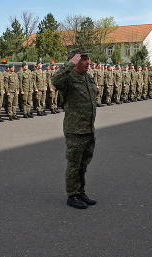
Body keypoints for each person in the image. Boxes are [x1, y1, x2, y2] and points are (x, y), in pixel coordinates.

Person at [51, 48, 97, 209]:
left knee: (83, 164)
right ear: (75, 60)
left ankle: (80, 191)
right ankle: (72, 195)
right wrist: (68, 65)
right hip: (75, 129)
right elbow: (55, 81)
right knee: (74, 164)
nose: (87, 62)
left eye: (87, 59)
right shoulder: (68, 79)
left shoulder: (88, 78)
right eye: (83, 59)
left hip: (88, 129)